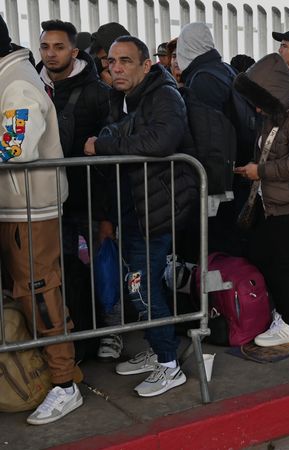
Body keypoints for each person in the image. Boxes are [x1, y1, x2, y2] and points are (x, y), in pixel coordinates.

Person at [85, 36, 197, 397]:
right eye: (112, 62)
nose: (116, 68)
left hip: (156, 210)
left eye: (126, 61)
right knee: (144, 283)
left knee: (140, 285)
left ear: (146, 65)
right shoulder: (125, 97)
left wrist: (102, 146)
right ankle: (158, 346)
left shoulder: (164, 95)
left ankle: (169, 364)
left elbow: (159, 142)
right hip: (134, 208)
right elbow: (119, 132)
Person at [1, 16, 80, 425]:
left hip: (30, 209)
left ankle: (66, 384)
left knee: (40, 292)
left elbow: (14, 150)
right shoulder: (10, 78)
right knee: (30, 293)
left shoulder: (16, 83)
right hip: (17, 207)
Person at [232, 53, 289, 346]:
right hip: (274, 201)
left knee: (284, 264)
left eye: (260, 99)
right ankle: (284, 315)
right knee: (267, 258)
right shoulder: (277, 115)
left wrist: (259, 171)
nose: (256, 108)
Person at [38, 20, 119, 361]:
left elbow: (111, 152)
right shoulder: (35, 86)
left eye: (58, 47)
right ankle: (75, 335)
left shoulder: (98, 93)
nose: (50, 54)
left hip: (90, 199)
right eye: (45, 47)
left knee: (103, 267)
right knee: (64, 270)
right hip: (50, 200)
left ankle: (110, 332)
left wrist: (107, 214)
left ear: (73, 51)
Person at [177, 22, 241, 255]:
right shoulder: (223, 70)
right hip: (233, 171)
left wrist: (209, 185)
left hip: (216, 180)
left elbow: (210, 136)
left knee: (211, 248)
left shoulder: (203, 79)